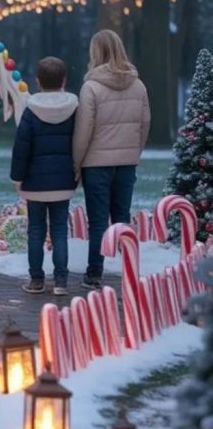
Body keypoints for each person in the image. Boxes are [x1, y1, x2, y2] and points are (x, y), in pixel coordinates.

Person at [73, 29, 150, 289]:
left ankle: (94, 273)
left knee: (98, 222)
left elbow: (84, 130)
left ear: (96, 52)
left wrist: (77, 162)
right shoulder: (138, 85)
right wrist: (134, 152)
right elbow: (145, 124)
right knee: (121, 218)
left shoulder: (91, 87)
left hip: (96, 165)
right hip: (127, 163)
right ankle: (129, 270)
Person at [10, 56, 78, 295]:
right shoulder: (73, 109)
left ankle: (36, 280)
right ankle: (60, 281)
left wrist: (17, 177)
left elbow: (21, 148)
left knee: (36, 230)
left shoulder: (31, 110)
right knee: (59, 229)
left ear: (38, 81)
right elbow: (78, 143)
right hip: (62, 180)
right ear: (64, 80)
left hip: (35, 182)